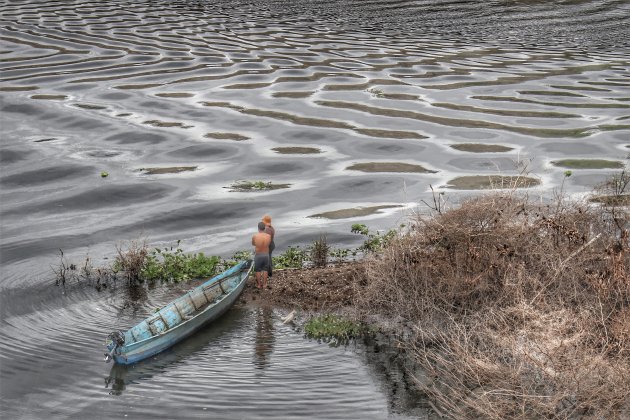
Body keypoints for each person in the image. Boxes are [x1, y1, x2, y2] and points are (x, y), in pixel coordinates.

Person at [252, 221, 271, 289]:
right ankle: (265, 284)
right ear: (264, 228)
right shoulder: (269, 236)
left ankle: (259, 285)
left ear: (258, 228)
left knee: (258, 270)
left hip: (258, 255)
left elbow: (253, 244)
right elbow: (268, 244)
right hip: (266, 255)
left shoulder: (255, 236)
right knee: (265, 269)